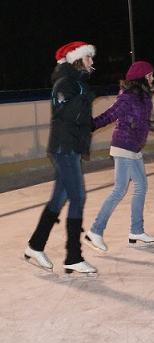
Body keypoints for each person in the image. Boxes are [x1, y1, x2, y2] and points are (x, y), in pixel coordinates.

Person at [84, 61, 154, 252]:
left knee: (141, 186)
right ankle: (95, 231)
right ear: (141, 78)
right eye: (150, 75)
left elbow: (145, 123)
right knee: (119, 189)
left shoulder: (143, 98)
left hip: (133, 148)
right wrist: (89, 125)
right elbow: (110, 115)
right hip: (123, 146)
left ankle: (136, 230)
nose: (153, 78)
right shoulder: (128, 97)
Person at [24, 41, 98, 274]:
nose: (92, 62)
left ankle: (35, 245)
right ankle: (73, 256)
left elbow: (81, 119)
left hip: (70, 147)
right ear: (77, 59)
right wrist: (86, 97)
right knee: (78, 197)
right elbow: (67, 114)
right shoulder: (65, 82)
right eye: (88, 58)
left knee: (59, 199)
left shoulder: (76, 83)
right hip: (64, 148)